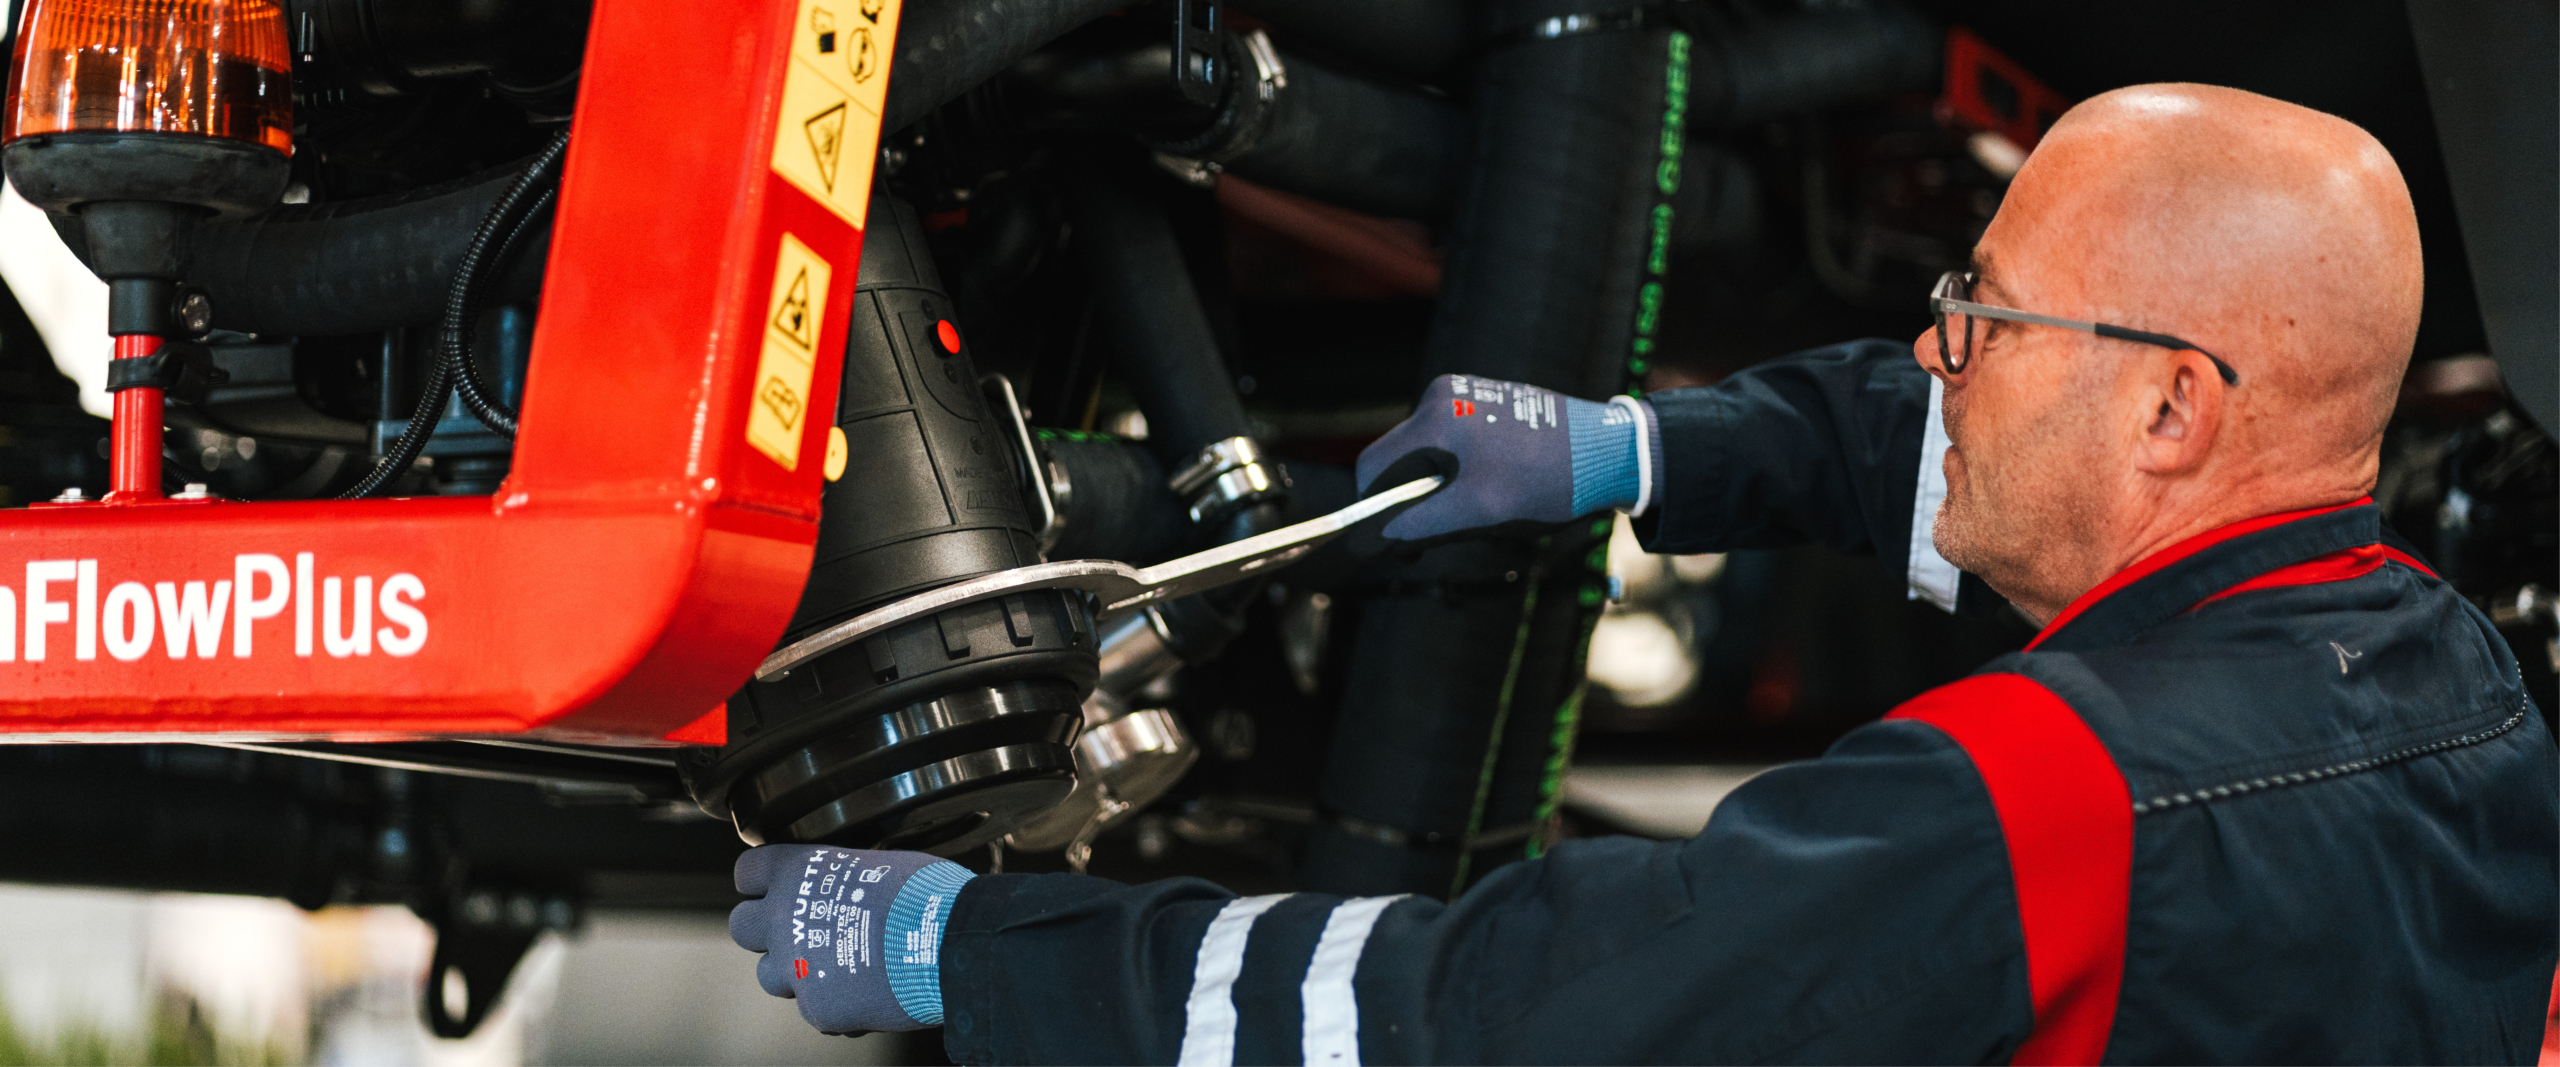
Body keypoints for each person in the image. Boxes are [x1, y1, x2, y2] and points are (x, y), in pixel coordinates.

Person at [725, 84, 2559, 1063]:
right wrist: (1637, 451)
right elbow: (1938, 446)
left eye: (1980, 311)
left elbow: (1467, 1022)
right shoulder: (2458, 683)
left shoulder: (2031, 807)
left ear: (2174, 407)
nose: (1936, 352)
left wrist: (977, 948)